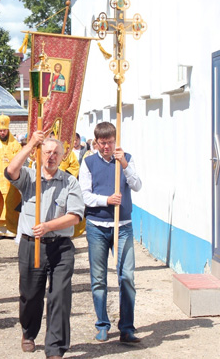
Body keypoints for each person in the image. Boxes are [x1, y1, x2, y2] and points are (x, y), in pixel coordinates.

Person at [5, 131, 84, 359]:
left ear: (62, 156)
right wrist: (31, 143)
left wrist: (49, 226)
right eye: (47, 152)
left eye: (56, 153)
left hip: (60, 247)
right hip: (31, 246)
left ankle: (55, 348)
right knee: (30, 295)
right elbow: (11, 171)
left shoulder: (70, 181)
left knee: (59, 295)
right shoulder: (29, 177)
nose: (51, 156)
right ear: (40, 155)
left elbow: (75, 216)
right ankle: (28, 333)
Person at [78, 121, 143, 344]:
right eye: (102, 143)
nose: (106, 147)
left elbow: (137, 185)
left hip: (123, 226)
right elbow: (85, 195)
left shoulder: (126, 159)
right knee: (98, 279)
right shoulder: (87, 163)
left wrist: (124, 163)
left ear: (116, 140)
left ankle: (126, 327)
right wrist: (106, 200)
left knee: (127, 277)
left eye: (110, 142)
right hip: (97, 227)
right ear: (96, 143)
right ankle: (102, 324)